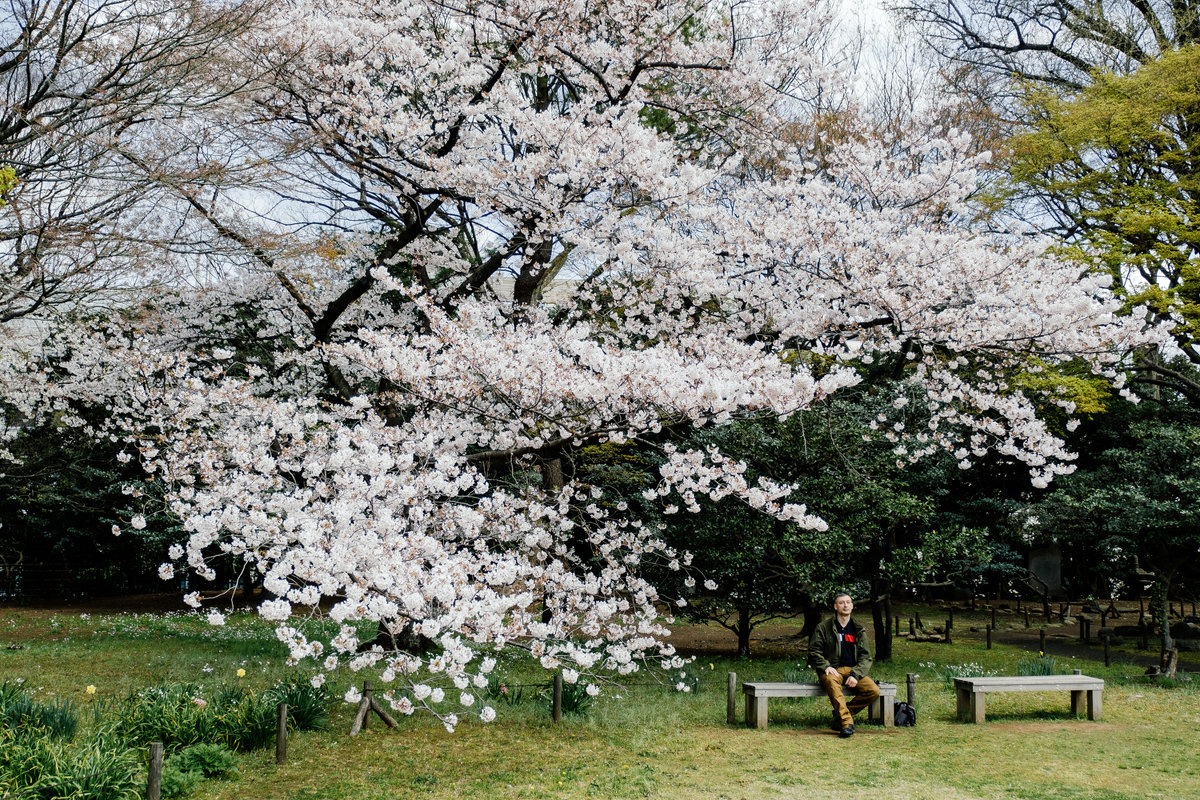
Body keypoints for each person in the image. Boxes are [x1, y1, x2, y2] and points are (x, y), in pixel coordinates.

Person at [807, 592, 880, 737]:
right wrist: (825, 666)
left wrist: (856, 674)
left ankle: (840, 716)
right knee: (831, 682)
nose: (845, 605)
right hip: (833, 671)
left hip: (853, 670)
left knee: (873, 691)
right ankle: (846, 723)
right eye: (841, 602)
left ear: (852, 606)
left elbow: (866, 657)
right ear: (835, 606)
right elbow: (814, 651)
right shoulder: (824, 627)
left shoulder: (858, 629)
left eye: (848, 602)